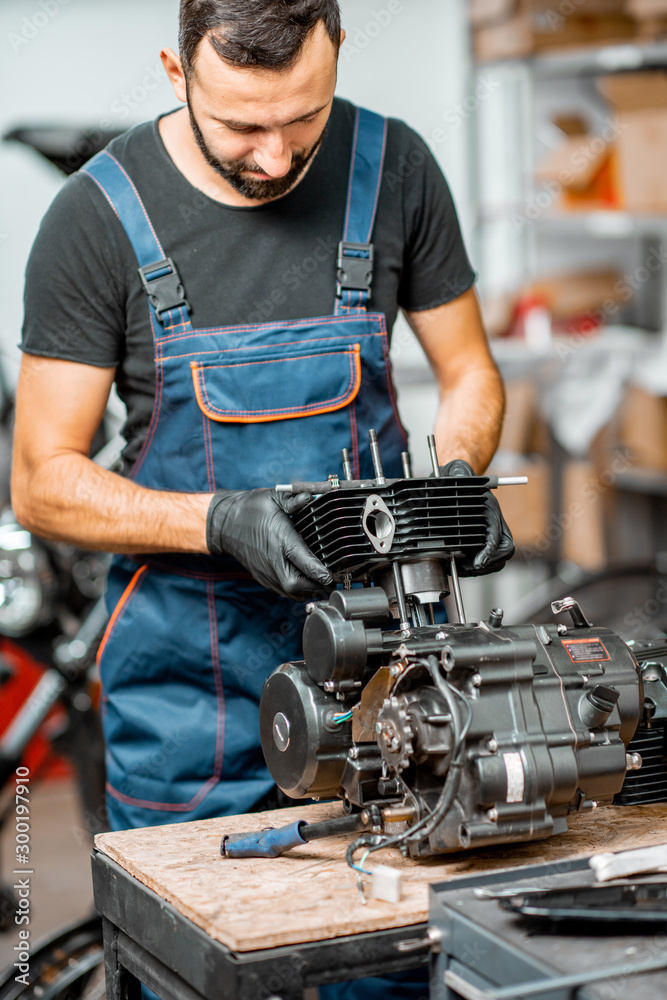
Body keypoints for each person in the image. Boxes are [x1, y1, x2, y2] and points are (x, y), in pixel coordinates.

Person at [12, 1, 512, 995]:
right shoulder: (99, 215)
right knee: (200, 968)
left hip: (386, 696)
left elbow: (468, 377)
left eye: (303, 120)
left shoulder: (394, 167)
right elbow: (43, 480)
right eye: (242, 126)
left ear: (335, 53)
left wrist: (453, 484)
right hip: (190, 715)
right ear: (175, 68)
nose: (278, 158)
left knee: (383, 968)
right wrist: (214, 521)